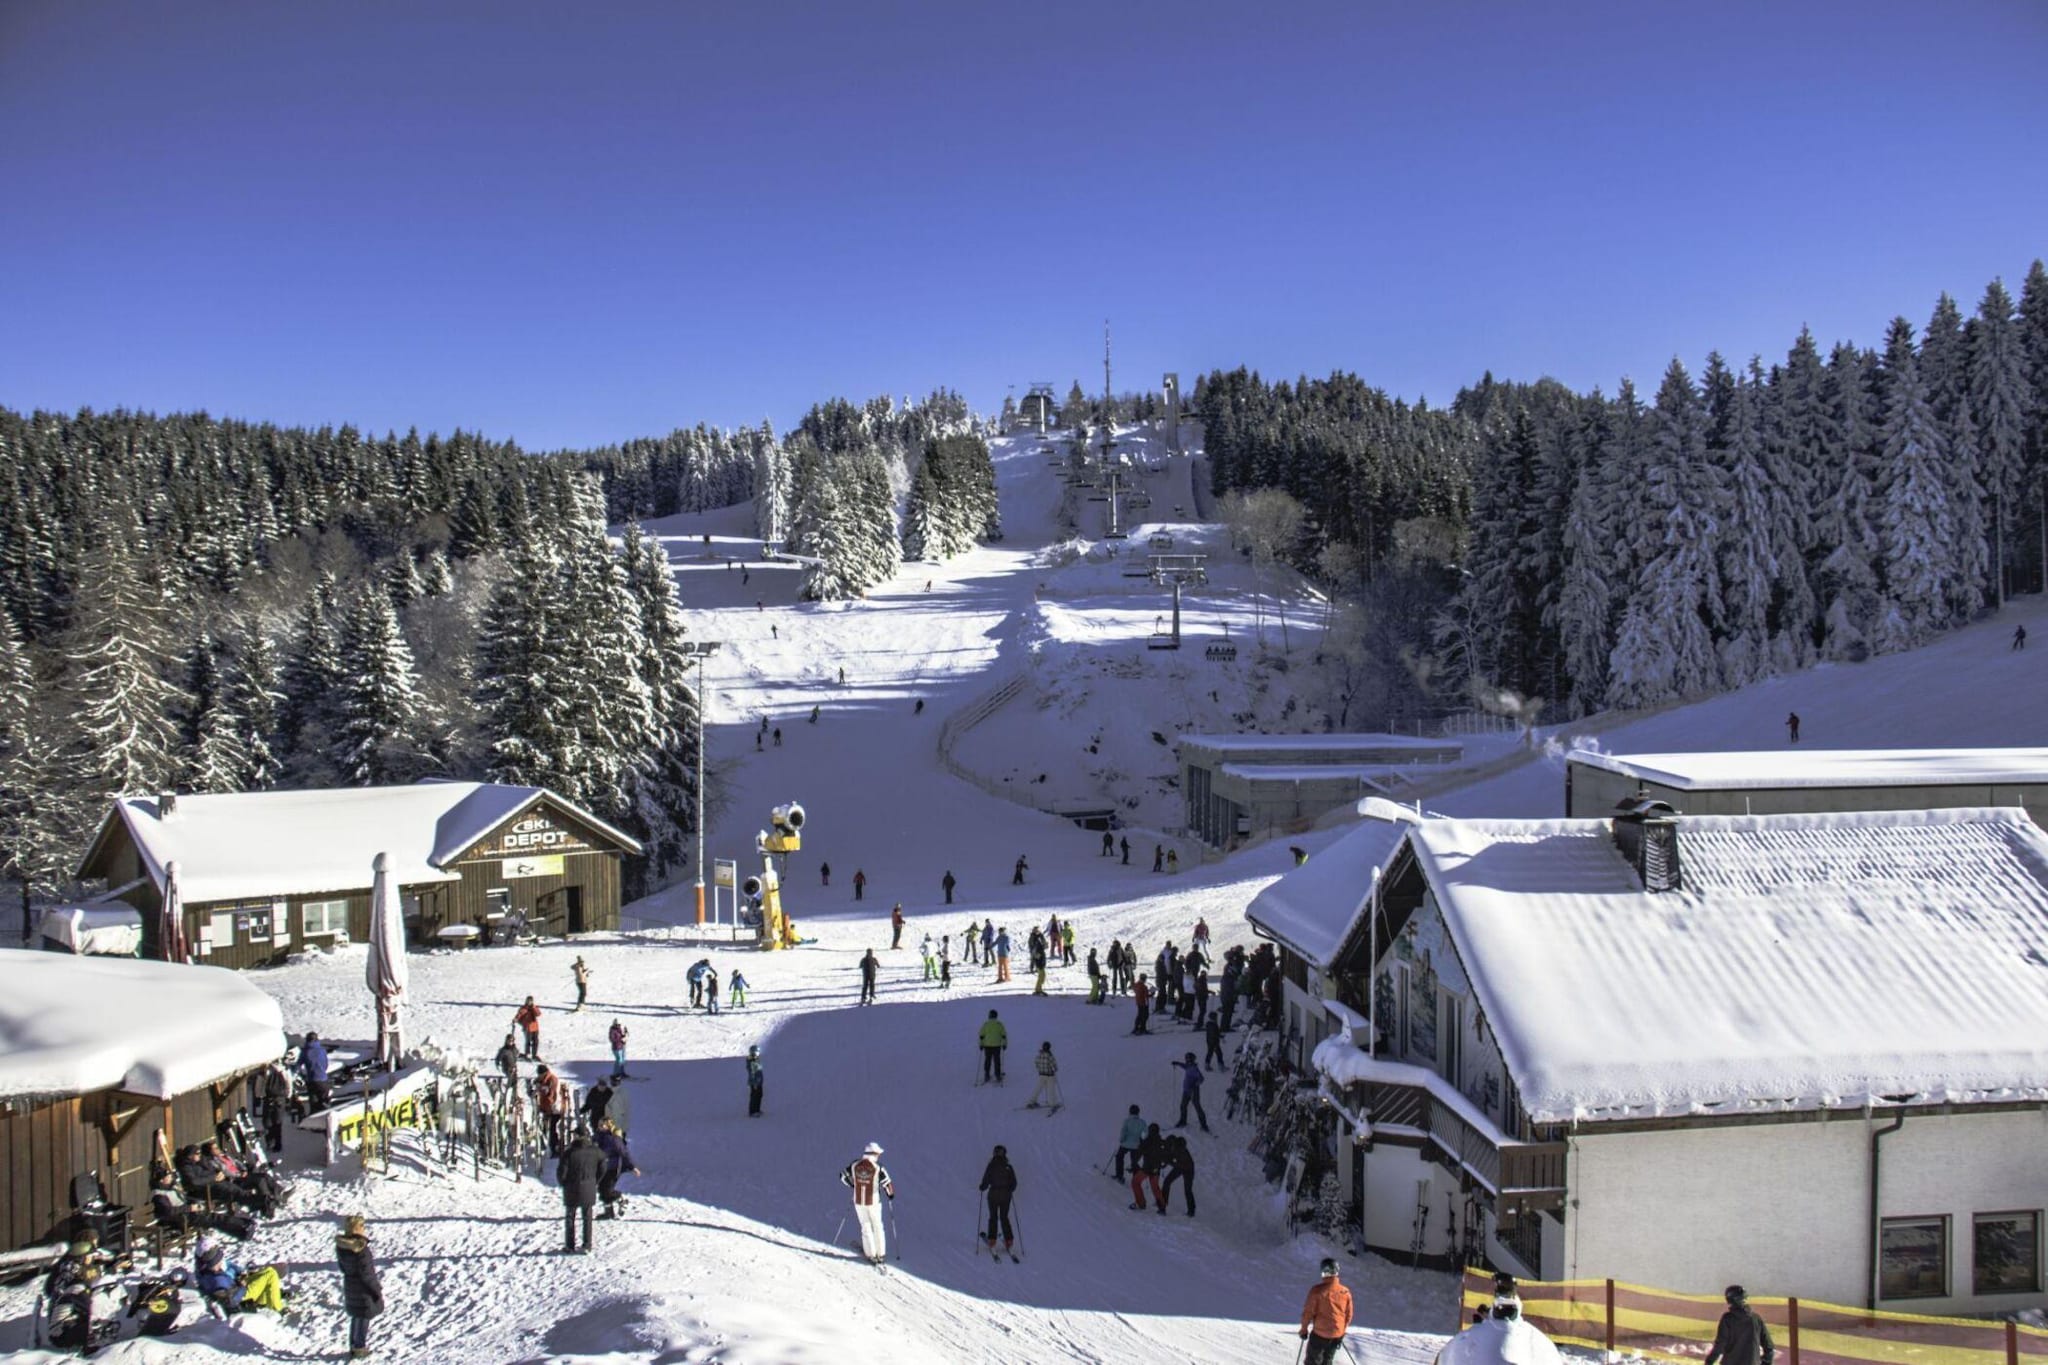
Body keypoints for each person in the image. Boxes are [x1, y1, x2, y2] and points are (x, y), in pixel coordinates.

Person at [42, 1237, 118, 1351]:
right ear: (82, 1257)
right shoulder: (75, 1284)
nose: (92, 1258)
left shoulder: (67, 1273)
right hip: (61, 1332)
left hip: (67, 1325)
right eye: (90, 1256)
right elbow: (90, 1307)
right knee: (100, 1329)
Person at [336, 1214, 384, 1360]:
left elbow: (342, 1267)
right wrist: (376, 1290)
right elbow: (367, 1274)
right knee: (364, 1317)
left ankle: (353, 1345)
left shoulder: (342, 1246)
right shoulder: (361, 1249)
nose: (364, 1229)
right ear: (357, 1228)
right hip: (363, 1289)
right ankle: (360, 1347)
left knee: (356, 1316)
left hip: (351, 1285)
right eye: (362, 1226)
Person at [840, 1142, 895, 1264]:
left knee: (865, 1226)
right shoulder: (878, 1167)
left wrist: (853, 1185)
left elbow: (842, 1177)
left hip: (859, 1201)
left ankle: (870, 1253)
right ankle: (880, 1254)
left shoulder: (854, 1165)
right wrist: (890, 1195)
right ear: (874, 1154)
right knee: (878, 1226)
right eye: (878, 1154)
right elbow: (887, 1184)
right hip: (874, 1202)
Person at [1299, 1257, 1354, 1365]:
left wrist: (1304, 1330)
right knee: (1327, 1361)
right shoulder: (1345, 1291)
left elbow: (1308, 1312)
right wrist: (1341, 1332)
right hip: (1336, 1334)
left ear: (1324, 1272)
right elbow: (1348, 1315)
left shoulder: (1317, 1291)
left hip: (1320, 1333)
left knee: (1313, 1361)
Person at [557, 1131, 605, 1254]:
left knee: (570, 1217)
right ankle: (587, 1245)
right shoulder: (596, 1151)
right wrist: (595, 1180)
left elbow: (562, 1172)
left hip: (571, 1188)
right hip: (589, 1187)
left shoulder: (569, 1153)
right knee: (587, 1218)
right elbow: (603, 1167)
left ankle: (570, 1245)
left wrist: (564, 1183)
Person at [1705, 1285, 1775, 1365]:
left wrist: (1709, 1361)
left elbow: (1720, 1344)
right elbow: (1769, 1348)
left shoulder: (1728, 1319)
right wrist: (1765, 1362)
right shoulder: (1756, 1319)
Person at [595, 1119, 639, 1219]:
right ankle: (608, 1212)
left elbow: (624, 1153)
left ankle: (621, 1200)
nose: (600, 1127)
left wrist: (632, 1167)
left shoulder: (614, 1139)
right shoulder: (597, 1137)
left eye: (602, 1125)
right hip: (602, 1167)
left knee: (607, 1190)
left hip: (613, 1168)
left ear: (608, 1126)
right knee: (602, 1189)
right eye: (599, 1125)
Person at [979, 1144, 1018, 1255]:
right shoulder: (1008, 1166)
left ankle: (992, 1239)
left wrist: (982, 1187)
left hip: (993, 1195)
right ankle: (1009, 1240)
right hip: (1006, 1196)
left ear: (994, 1153)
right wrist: (1010, 1189)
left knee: (993, 1217)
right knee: (1004, 1217)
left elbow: (986, 1180)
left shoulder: (991, 1166)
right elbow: (1014, 1183)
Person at [1129, 1122, 1166, 1211]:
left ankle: (1141, 1203)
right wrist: (1163, 1164)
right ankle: (1162, 1207)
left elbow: (1139, 1152)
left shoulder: (1147, 1141)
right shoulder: (1161, 1141)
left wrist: (1134, 1163)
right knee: (1155, 1187)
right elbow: (1165, 1155)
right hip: (1156, 1169)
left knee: (1135, 1182)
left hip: (1147, 1168)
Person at [536, 1063, 570, 1155]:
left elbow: (551, 1096)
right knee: (547, 1128)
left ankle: (555, 1147)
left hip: (555, 1109)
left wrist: (547, 1109)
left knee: (553, 1129)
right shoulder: (543, 1079)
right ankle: (551, 1146)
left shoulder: (552, 1080)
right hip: (547, 1107)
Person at [1171, 1052, 1211, 1132]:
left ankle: (1204, 1125)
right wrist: (1177, 1063)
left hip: (1193, 1092)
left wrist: (1195, 1085)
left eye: (1188, 1058)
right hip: (1186, 1091)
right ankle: (1183, 1121)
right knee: (1183, 1106)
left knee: (1197, 1107)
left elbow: (1201, 1079)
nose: (1186, 1060)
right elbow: (1184, 1066)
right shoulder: (1188, 1066)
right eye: (1186, 1058)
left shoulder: (1194, 1069)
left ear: (1192, 1059)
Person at [1160, 1133, 1196, 1216]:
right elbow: (1166, 1152)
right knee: (1166, 1183)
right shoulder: (1171, 1144)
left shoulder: (1181, 1151)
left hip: (1188, 1169)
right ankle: (1163, 1203)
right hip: (1180, 1167)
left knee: (1187, 1190)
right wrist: (1164, 1162)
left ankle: (1191, 1210)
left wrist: (1168, 1161)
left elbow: (1175, 1162)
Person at [301, 1031, 332, 1111]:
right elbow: (325, 1065)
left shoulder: (305, 1051)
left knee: (313, 1102)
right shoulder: (322, 1050)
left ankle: (313, 1117)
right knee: (324, 1101)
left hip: (311, 1080)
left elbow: (298, 1065)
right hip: (323, 1079)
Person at [1114, 1105, 1147, 1180]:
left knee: (1119, 1157)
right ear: (1138, 1112)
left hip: (1125, 1144)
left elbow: (1123, 1132)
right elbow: (1145, 1133)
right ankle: (1135, 1180)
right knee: (1134, 1162)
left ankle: (1120, 1176)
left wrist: (1121, 1139)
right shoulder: (1142, 1122)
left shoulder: (1127, 1121)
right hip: (1136, 1145)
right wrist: (1142, 1139)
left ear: (1130, 1112)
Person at [1027, 1041, 1061, 1109]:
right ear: (1049, 1048)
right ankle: (1053, 1103)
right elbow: (1054, 1066)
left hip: (1042, 1075)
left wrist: (1040, 1069)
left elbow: (1036, 1062)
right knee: (1051, 1089)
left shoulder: (1039, 1055)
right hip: (1050, 1075)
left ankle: (1031, 1101)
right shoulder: (1050, 1056)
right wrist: (1054, 1069)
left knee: (1038, 1088)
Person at [978, 1008, 1008, 1083]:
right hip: (997, 1046)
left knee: (987, 1060)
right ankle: (998, 1075)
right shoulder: (999, 1024)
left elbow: (981, 1036)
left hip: (987, 1045)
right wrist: (1004, 1044)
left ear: (989, 1016)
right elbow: (1003, 1035)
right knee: (997, 1061)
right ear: (996, 1016)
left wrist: (981, 1045)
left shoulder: (986, 1024)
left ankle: (987, 1075)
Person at [514, 996, 543, 1061]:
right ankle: (527, 1054)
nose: (529, 1002)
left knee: (535, 1041)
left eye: (531, 1001)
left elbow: (538, 1014)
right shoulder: (523, 1008)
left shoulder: (534, 1008)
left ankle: (534, 1055)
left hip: (535, 1027)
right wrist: (515, 1019)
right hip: (527, 1028)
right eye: (528, 1001)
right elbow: (519, 1015)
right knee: (528, 1041)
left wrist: (533, 1007)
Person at [746, 1044, 764, 1116]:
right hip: (755, 1082)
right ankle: (753, 1111)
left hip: (758, 1081)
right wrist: (755, 1082)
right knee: (755, 1096)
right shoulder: (752, 1060)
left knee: (759, 1095)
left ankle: (757, 1110)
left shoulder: (755, 1059)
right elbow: (752, 1072)